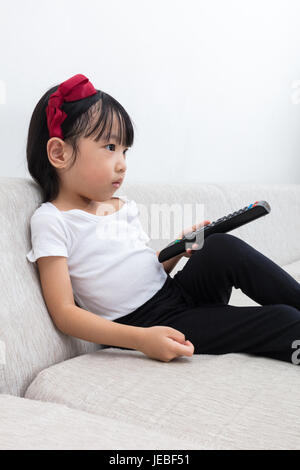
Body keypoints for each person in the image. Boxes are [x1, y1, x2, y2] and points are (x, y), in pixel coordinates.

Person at [26, 73, 300, 365]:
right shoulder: (52, 221)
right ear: (59, 153)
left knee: (221, 246)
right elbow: (65, 313)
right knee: (286, 320)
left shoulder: (119, 204)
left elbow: (143, 269)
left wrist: (179, 251)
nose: (122, 164)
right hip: (151, 323)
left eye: (124, 151)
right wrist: (140, 339)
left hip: (174, 294)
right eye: (109, 148)